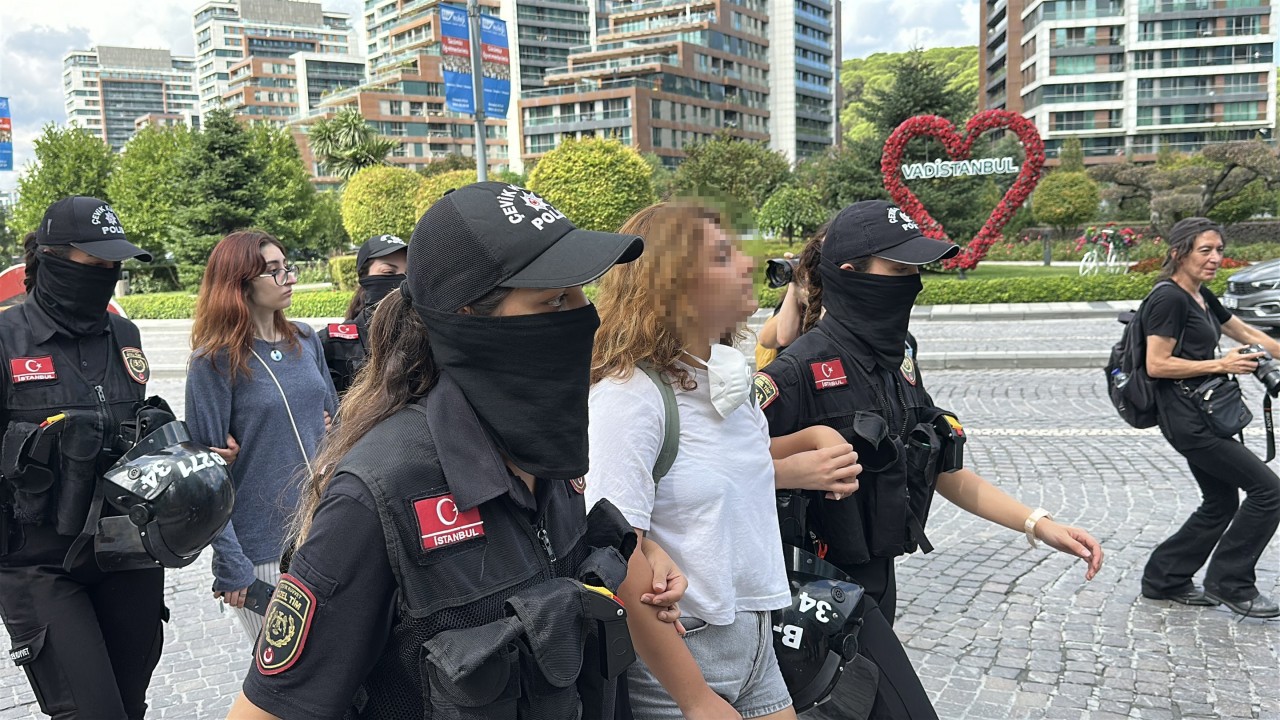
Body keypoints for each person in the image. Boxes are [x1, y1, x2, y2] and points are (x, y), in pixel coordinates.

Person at [225, 182, 687, 720]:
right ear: (468, 317)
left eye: (581, 294)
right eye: (555, 300)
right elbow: (267, 709)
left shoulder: (549, 454)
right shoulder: (379, 495)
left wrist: (635, 554)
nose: (587, 317)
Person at [754, 200, 1105, 720]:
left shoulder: (900, 359)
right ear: (850, 274)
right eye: (898, 270)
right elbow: (719, 474)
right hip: (817, 588)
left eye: (916, 270)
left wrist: (1039, 524)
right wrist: (785, 470)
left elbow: (940, 466)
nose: (912, 283)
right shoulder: (796, 370)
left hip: (880, 578)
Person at [588, 203, 862, 720]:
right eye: (721, 256)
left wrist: (812, 439)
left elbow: (735, 463)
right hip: (679, 652)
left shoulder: (726, 377)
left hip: (755, 634)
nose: (746, 263)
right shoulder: (630, 398)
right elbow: (615, 551)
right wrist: (694, 698)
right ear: (671, 283)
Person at [0, 197, 168, 719]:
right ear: (50, 258)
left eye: (114, 264)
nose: (107, 274)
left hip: (126, 553)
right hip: (39, 563)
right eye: (94, 263)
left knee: (130, 707)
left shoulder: (125, 335)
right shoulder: (5, 340)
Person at [186, 230, 338, 642]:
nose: (290, 278)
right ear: (240, 284)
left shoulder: (305, 339)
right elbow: (206, 479)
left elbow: (339, 426)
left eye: (288, 267)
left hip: (326, 530)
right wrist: (231, 563)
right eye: (274, 271)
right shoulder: (213, 362)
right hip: (263, 548)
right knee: (285, 669)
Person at [1140, 216, 1280, 619]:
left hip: (1204, 413)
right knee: (1269, 492)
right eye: (1205, 250)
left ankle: (1163, 578)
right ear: (1178, 253)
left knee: (1220, 501)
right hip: (1188, 420)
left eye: (1219, 250)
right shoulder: (1169, 299)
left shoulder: (1200, 295)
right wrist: (1221, 365)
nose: (1215, 257)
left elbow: (1248, 334)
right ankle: (1230, 582)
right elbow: (1157, 364)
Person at [318, 234, 407, 394]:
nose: (402, 282)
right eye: (388, 272)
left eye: (408, 274)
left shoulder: (428, 340)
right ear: (364, 277)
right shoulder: (332, 344)